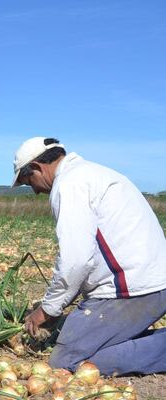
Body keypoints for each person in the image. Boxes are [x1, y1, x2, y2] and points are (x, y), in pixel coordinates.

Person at [13, 137, 166, 375]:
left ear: (37, 167)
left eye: (27, 181)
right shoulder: (92, 173)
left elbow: (76, 260)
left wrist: (47, 310)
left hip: (133, 291)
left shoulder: (69, 184)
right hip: (150, 284)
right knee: (77, 340)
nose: (34, 191)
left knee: (66, 363)